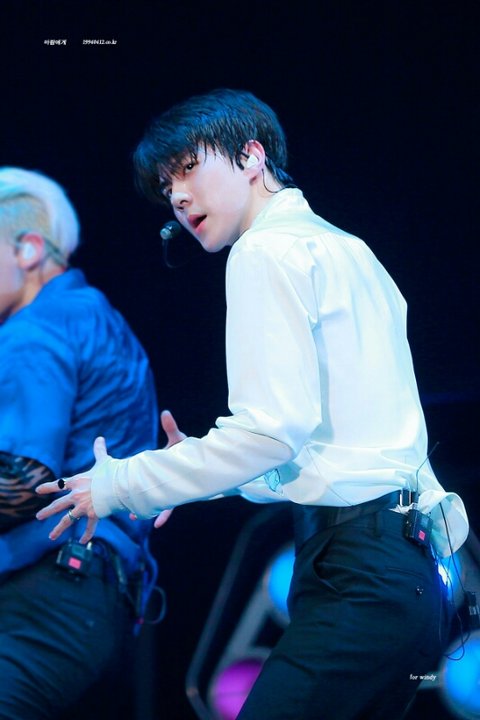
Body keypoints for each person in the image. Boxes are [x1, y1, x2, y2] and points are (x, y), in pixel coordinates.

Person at [37, 89, 469, 720]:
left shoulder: (264, 251)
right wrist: (199, 474)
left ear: (251, 157)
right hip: (410, 578)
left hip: (358, 574)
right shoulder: (351, 250)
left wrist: (123, 483)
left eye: (188, 169)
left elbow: (270, 433)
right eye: (166, 187)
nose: (177, 197)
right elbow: (327, 448)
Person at [0, 166, 179, 719]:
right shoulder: (96, 316)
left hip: (42, 597)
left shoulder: (36, 329)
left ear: (28, 249)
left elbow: (22, 483)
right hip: (97, 602)